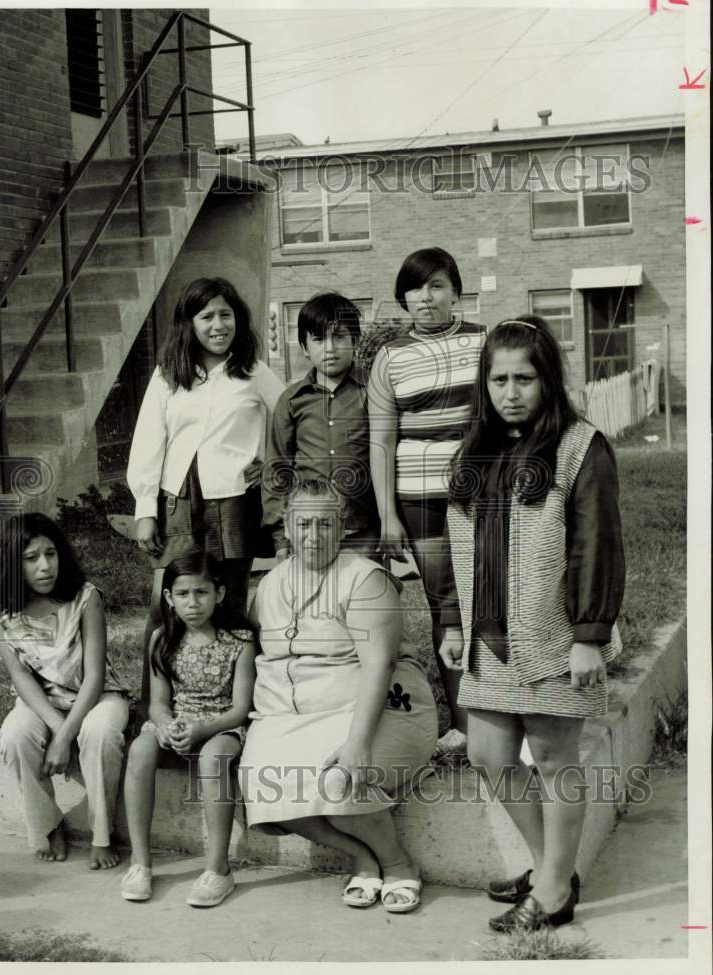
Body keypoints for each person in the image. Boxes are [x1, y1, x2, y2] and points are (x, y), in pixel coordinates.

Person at [442, 315, 626, 932]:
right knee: (489, 753)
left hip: (553, 636)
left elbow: (597, 545)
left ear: (548, 380)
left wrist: (589, 636)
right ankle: (552, 864)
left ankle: (551, 892)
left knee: (552, 761)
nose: (511, 391)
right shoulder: (475, 452)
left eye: (525, 377)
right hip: (488, 641)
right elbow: (454, 547)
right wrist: (450, 622)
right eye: (499, 379)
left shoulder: (580, 447)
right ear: (483, 383)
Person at [240, 480, 438, 914]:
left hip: (379, 709)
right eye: (304, 524)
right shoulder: (270, 586)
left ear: (343, 525)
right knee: (257, 782)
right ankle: (360, 857)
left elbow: (378, 667)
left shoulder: (364, 579)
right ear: (287, 528)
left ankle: (398, 863)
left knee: (338, 776)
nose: (314, 535)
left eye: (325, 524)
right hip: (288, 718)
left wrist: (357, 745)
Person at [127, 276, 283, 706]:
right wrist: (145, 508)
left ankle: (233, 707)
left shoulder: (253, 371)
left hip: (233, 500)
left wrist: (273, 465)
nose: (218, 325)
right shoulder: (169, 374)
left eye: (226, 315)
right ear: (189, 323)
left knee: (227, 603)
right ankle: (154, 705)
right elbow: (148, 440)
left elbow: (292, 413)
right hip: (177, 501)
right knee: (166, 605)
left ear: (238, 319)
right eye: (207, 316)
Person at [368, 247, 485, 747]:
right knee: (447, 605)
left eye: (437, 285)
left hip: (483, 495)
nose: (426, 297)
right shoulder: (389, 357)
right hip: (418, 499)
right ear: (403, 298)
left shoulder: (486, 341)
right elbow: (381, 440)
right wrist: (387, 515)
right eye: (415, 288)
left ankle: (506, 710)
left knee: (495, 594)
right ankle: (462, 722)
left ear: (456, 291)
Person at [0, 512, 129, 868]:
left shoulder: (85, 597)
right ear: (10, 563)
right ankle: (47, 826)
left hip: (97, 696)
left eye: (51, 554)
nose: (45, 566)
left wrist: (67, 735)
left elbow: (95, 676)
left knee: (101, 732)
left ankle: (102, 833)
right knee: (15, 735)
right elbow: (19, 676)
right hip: (41, 701)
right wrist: (57, 729)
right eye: (31, 558)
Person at [121, 549, 255, 907]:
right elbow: (159, 703)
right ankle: (140, 863)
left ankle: (218, 869)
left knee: (213, 759)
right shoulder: (162, 638)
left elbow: (241, 710)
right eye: (183, 594)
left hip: (222, 725)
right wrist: (164, 726)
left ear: (220, 594)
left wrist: (203, 729)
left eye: (201, 592)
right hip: (178, 722)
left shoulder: (239, 642)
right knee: (140, 749)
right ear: (169, 598)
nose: (192, 603)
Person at [262, 292, 379, 560]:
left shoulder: (373, 393)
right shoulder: (292, 401)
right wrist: (281, 537)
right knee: (311, 601)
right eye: (318, 339)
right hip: (307, 533)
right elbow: (277, 468)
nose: (329, 348)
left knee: (360, 599)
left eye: (339, 337)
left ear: (355, 341)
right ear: (304, 347)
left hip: (362, 530)